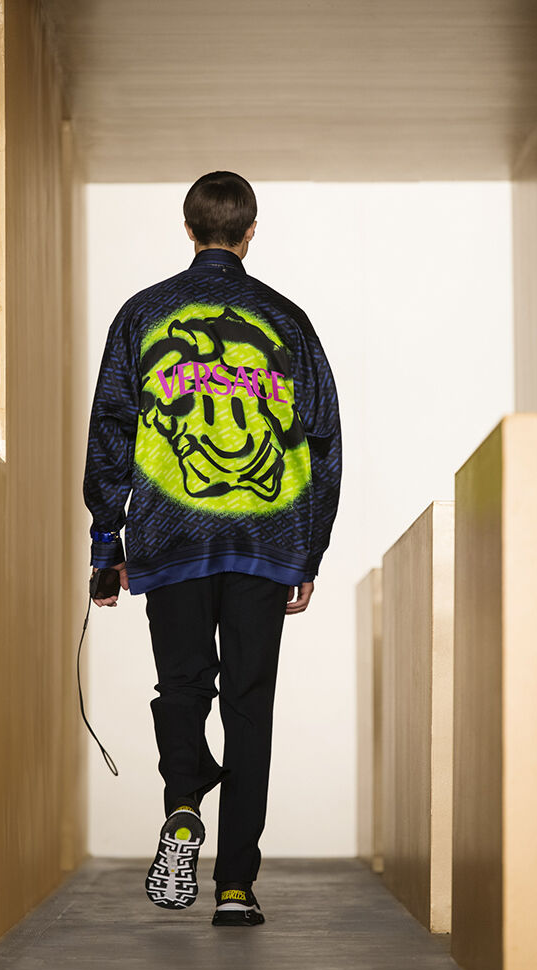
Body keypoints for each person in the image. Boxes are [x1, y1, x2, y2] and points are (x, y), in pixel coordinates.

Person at [83, 170, 342, 927]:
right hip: (266, 538)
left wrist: (106, 541)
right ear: (250, 231)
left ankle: (184, 800)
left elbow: (111, 429)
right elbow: (322, 442)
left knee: (182, 686)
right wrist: (309, 552)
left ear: (189, 228)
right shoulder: (288, 321)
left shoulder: (142, 314)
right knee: (250, 705)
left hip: (171, 536)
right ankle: (234, 887)